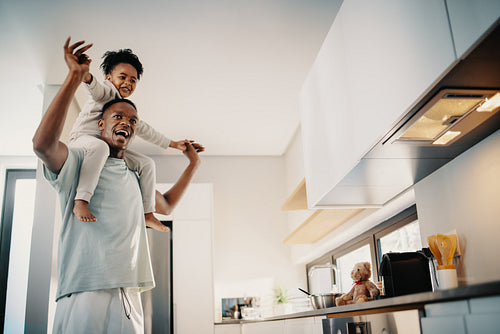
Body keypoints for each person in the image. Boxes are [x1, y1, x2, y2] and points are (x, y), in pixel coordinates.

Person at [32, 37, 203, 333]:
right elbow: (43, 145)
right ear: (101, 122)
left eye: (132, 120)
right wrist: (76, 76)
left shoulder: (134, 172)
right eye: (118, 116)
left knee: (149, 163)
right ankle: (80, 200)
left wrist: (192, 164)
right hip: (85, 290)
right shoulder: (78, 161)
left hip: (130, 293)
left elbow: (168, 205)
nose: (127, 122)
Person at [69, 46, 187, 232]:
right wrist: (86, 76)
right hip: (83, 141)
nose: (128, 83)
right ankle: (81, 200)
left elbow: (145, 130)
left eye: (133, 80)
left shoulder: (123, 109)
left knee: (147, 164)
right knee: (100, 148)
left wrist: (173, 144)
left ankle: (148, 213)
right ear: (109, 78)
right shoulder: (107, 92)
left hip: (107, 147)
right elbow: (95, 89)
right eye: (122, 77)